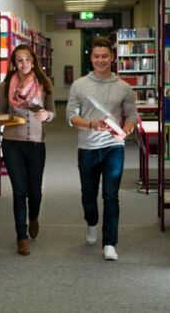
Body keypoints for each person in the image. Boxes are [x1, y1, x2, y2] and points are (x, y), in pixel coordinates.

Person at [66, 37, 138, 261]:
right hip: (87, 147)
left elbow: (132, 115)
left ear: (113, 57)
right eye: (96, 56)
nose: (100, 60)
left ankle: (110, 243)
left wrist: (128, 128)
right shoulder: (79, 85)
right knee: (88, 195)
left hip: (113, 147)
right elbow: (70, 115)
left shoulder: (124, 87)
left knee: (111, 196)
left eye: (104, 56)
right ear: (91, 58)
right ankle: (91, 222)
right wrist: (90, 124)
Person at [0, 44, 55, 256]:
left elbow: (52, 113)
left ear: (33, 61)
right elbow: (1, 113)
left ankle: (33, 217)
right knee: (19, 191)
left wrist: (46, 116)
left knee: (35, 192)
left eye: (27, 60)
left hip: (35, 143)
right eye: (19, 60)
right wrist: (1, 120)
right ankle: (21, 237)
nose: (24, 64)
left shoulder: (43, 83)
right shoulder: (6, 85)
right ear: (14, 63)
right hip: (11, 141)